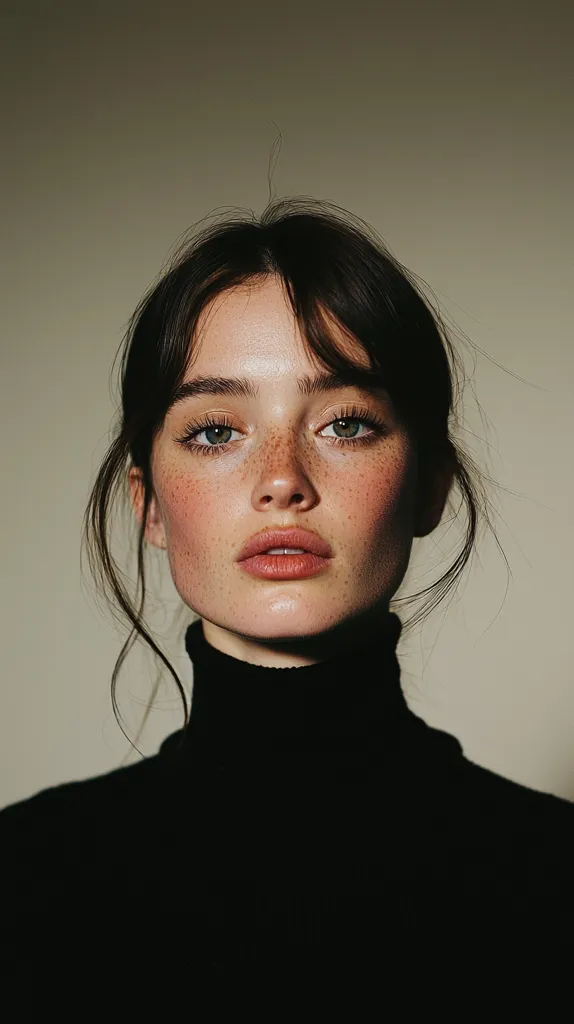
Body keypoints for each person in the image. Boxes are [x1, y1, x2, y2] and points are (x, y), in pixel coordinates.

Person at [1, 197, 573, 978]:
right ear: (149, 505)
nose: (281, 480)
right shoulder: (25, 878)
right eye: (216, 431)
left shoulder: (550, 877)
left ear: (430, 486)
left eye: (346, 424)